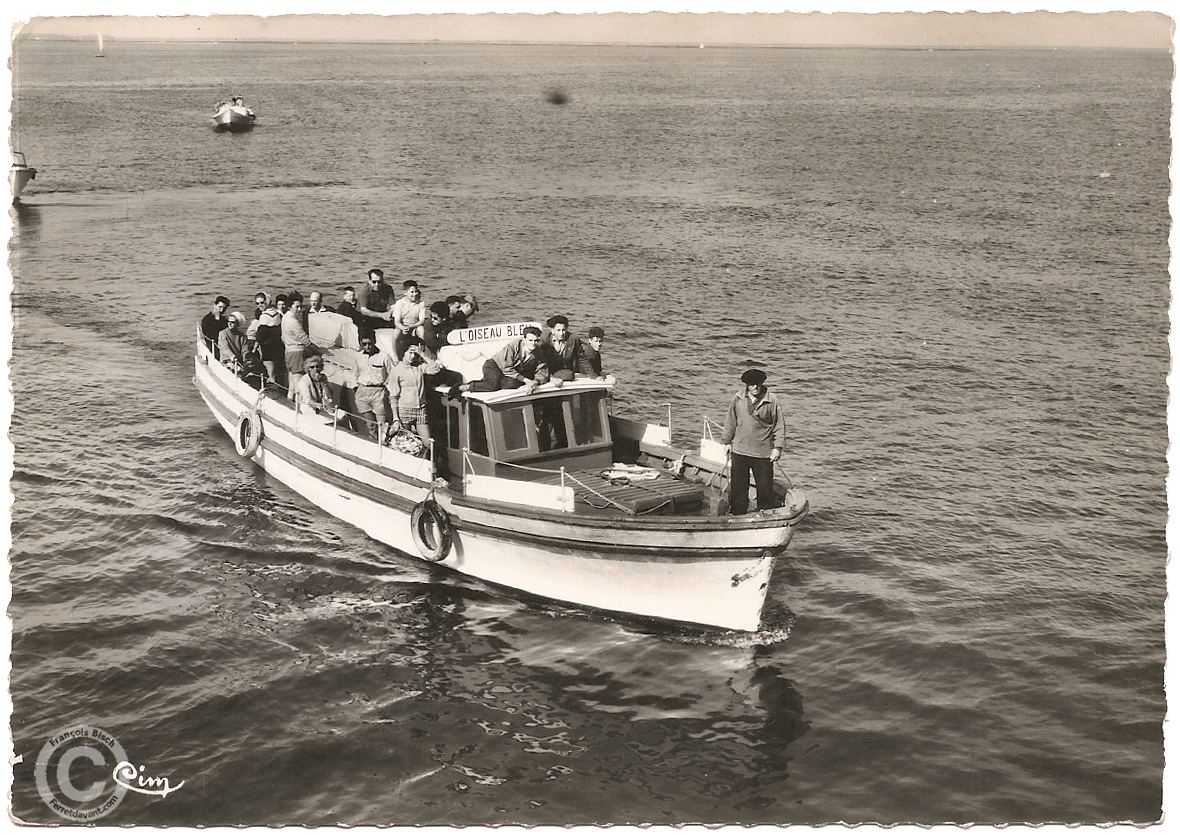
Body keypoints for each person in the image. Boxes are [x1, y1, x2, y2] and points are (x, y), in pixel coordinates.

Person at [719, 368, 787, 515]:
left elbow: (779, 426)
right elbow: (730, 421)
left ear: (762, 383)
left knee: (764, 487)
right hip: (739, 450)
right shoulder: (738, 399)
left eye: (758, 383)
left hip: (762, 453)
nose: (755, 387)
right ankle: (737, 513)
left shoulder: (772, 401)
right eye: (751, 384)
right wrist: (726, 442)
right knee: (738, 487)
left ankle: (765, 514)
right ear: (746, 385)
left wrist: (777, 448)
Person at [460, 326, 549, 394]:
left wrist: (534, 382)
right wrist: (526, 380)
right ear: (524, 339)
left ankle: (486, 382)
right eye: (530, 340)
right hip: (494, 365)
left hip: (511, 372)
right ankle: (466, 387)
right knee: (492, 385)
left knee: (512, 385)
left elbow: (542, 370)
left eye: (536, 341)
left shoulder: (538, 352)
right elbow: (506, 368)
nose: (533, 343)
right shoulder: (513, 346)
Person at [388, 338, 439, 453]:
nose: (412, 356)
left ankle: (428, 465)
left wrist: (422, 353)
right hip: (404, 411)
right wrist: (396, 418)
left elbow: (435, 369)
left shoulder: (419, 367)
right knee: (405, 444)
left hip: (421, 410)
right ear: (403, 352)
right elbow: (393, 397)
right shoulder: (396, 371)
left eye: (414, 353)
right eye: (410, 353)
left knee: (428, 443)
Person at [354, 330, 397, 443]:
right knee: (370, 426)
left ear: (374, 341)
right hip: (363, 393)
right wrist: (356, 387)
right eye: (364, 344)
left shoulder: (384, 356)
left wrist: (389, 393)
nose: (367, 347)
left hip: (378, 392)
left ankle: (384, 447)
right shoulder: (358, 356)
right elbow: (354, 373)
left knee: (382, 426)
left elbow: (391, 375)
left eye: (370, 343)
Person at [281, 292, 320, 401]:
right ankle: (300, 411)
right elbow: (305, 340)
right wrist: (319, 350)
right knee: (300, 387)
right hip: (297, 354)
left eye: (300, 306)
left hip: (288, 352)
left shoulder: (285, 318)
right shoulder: (293, 322)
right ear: (289, 306)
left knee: (292, 386)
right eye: (296, 307)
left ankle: (288, 405)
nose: (299, 309)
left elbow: (282, 337)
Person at [391, 280, 426, 358]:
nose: (414, 294)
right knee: (396, 333)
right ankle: (395, 355)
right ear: (406, 292)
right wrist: (403, 327)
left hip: (415, 325)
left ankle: (423, 354)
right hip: (404, 325)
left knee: (421, 330)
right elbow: (396, 321)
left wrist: (412, 326)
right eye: (412, 292)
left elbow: (422, 320)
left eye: (416, 291)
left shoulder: (421, 303)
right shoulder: (400, 303)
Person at [255, 304, 286, 392]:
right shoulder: (278, 318)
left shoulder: (263, 324)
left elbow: (259, 337)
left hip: (268, 349)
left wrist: (254, 349)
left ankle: (273, 390)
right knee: (277, 372)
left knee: (271, 373)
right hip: (278, 347)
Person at [295, 355, 336, 419]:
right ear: (308, 369)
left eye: (317, 366)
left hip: (323, 409)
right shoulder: (304, 380)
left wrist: (324, 384)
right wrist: (319, 405)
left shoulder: (323, 377)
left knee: (343, 415)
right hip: (309, 409)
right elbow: (307, 400)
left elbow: (330, 395)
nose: (315, 369)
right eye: (312, 367)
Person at [542, 315, 581, 383]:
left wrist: (593, 375)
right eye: (558, 330)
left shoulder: (573, 338)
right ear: (552, 330)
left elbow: (582, 358)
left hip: (562, 370)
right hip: (546, 369)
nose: (561, 333)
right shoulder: (544, 339)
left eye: (563, 330)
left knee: (570, 375)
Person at [240, 321, 267, 390]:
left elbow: (265, 375)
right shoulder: (246, 369)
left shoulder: (260, 367)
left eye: (252, 364)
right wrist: (248, 376)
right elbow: (243, 377)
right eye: (249, 364)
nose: (250, 366)